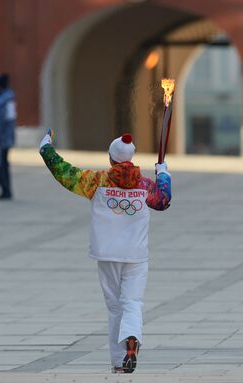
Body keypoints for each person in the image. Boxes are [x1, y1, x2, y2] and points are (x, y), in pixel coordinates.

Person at [39, 131, 172, 373]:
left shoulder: (96, 181)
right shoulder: (144, 185)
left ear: (111, 159)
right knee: (132, 303)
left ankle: (119, 361)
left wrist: (46, 148)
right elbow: (163, 200)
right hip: (136, 254)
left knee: (114, 307)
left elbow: (64, 173)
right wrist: (162, 173)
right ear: (131, 159)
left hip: (107, 253)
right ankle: (132, 338)